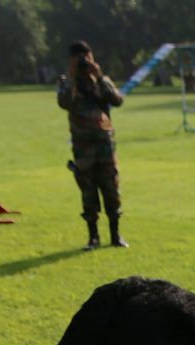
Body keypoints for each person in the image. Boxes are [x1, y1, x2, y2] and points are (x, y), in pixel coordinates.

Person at [57, 40, 127, 250]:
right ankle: (93, 237)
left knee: (111, 190)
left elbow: (117, 100)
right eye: (79, 59)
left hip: (105, 145)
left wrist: (100, 77)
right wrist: (71, 78)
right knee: (88, 192)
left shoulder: (99, 80)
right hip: (83, 147)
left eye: (87, 57)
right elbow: (64, 103)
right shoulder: (67, 83)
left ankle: (115, 236)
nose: (84, 62)